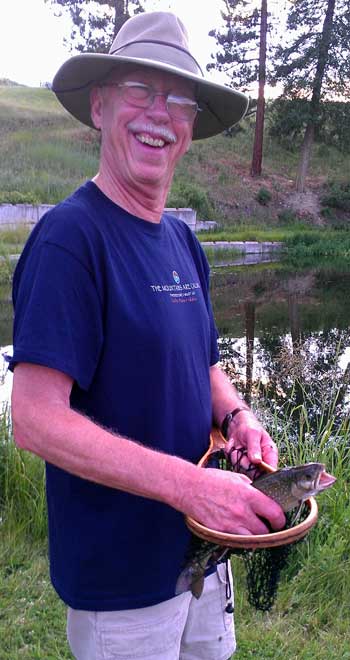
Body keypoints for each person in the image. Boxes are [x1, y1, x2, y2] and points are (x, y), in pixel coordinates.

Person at [10, 11, 285, 660]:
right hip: (121, 580)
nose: (159, 113)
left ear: (191, 128)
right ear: (101, 106)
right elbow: (34, 421)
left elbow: (203, 363)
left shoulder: (183, 240)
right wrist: (189, 486)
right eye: (140, 90)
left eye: (179, 99)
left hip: (203, 552)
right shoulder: (70, 241)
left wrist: (239, 415)